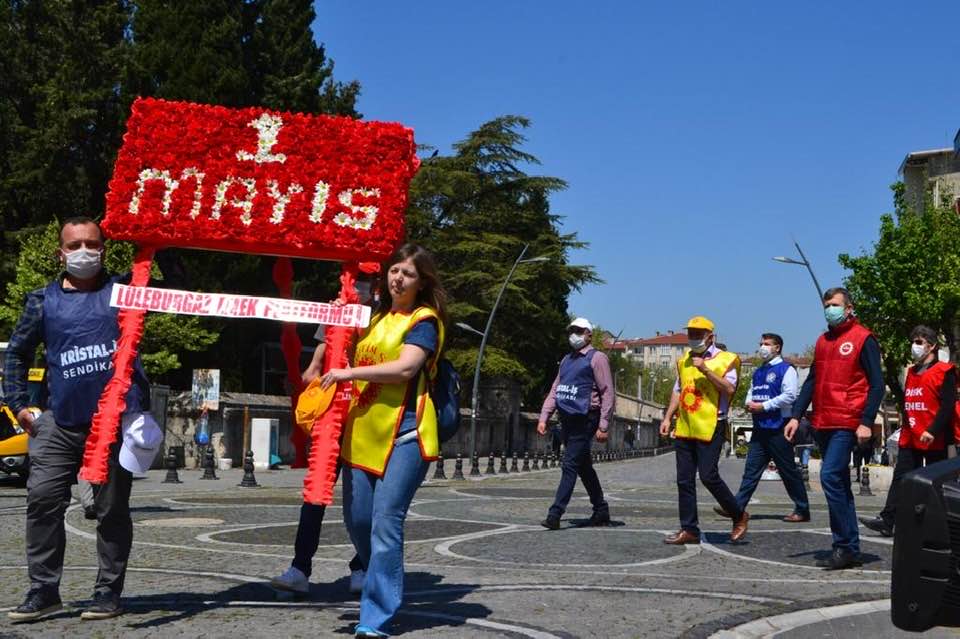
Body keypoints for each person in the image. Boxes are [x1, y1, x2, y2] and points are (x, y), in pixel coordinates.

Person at [4, 217, 173, 622]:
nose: (84, 251)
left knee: (112, 509)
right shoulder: (41, 300)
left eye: (93, 244)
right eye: (75, 244)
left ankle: (107, 592)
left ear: (104, 248)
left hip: (115, 425)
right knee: (42, 501)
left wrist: (162, 237)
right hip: (58, 423)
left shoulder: (126, 292)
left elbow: (174, 288)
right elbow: (16, 353)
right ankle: (44, 590)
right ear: (60, 252)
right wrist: (20, 406)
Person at [319, 243, 446, 638]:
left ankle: (375, 617)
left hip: (407, 434)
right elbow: (335, 341)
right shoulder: (372, 320)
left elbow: (407, 368)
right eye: (394, 271)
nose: (398, 278)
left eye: (407, 273)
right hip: (364, 432)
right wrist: (335, 315)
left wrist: (350, 373)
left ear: (421, 281)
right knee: (358, 523)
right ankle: (384, 577)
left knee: (386, 523)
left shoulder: (425, 321)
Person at [270, 268, 379, 596]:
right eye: (354, 276)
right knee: (314, 496)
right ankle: (300, 567)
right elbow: (316, 363)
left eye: (365, 278)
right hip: (333, 417)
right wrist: (304, 379)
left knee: (363, 500)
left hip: (365, 415)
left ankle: (362, 566)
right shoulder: (336, 310)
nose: (358, 283)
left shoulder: (385, 315)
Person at [785, 287, 884, 570]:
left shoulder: (863, 338)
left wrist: (866, 422)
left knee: (828, 476)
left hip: (847, 420)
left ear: (849, 307)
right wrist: (795, 416)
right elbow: (811, 381)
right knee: (839, 483)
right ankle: (850, 547)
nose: (830, 309)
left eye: (835, 304)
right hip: (823, 420)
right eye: (827, 305)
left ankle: (843, 545)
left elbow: (876, 385)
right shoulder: (823, 341)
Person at [860, 326, 955, 537]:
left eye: (920, 342)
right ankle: (888, 520)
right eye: (914, 341)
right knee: (900, 478)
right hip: (910, 435)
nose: (915, 346)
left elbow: (947, 406)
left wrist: (932, 430)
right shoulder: (911, 372)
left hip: (933, 438)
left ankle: (937, 525)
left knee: (935, 483)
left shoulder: (944, 371)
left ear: (932, 346)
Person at [660, 316, 748, 545]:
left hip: (712, 424)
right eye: (691, 334)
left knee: (708, 476)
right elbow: (678, 391)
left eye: (698, 334)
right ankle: (689, 528)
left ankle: (738, 514)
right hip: (686, 425)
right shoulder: (684, 361)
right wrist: (668, 417)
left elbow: (729, 389)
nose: (694, 338)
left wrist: (707, 370)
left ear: (711, 336)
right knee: (684, 480)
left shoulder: (727, 360)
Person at [716, 334, 809, 523]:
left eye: (767, 344)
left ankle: (802, 509)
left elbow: (790, 396)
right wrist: (748, 403)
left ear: (778, 348)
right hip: (760, 428)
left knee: (788, 471)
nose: (762, 347)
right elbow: (751, 392)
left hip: (778, 428)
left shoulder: (786, 369)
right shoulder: (758, 372)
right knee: (751, 471)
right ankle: (736, 507)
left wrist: (764, 406)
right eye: (760, 344)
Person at [536, 317, 614, 530]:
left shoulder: (597, 358)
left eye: (579, 331)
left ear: (589, 334)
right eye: (572, 330)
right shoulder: (566, 360)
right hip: (567, 417)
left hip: (586, 417)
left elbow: (607, 392)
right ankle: (601, 509)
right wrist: (544, 416)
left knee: (569, 464)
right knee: (583, 466)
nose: (574, 335)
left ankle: (555, 513)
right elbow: (556, 389)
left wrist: (604, 424)